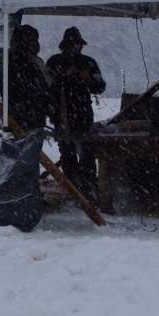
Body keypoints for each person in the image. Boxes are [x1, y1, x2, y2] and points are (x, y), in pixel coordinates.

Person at [46, 26, 106, 205]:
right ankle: (72, 189)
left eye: (78, 44)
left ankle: (89, 190)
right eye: (72, 44)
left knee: (87, 155)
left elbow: (101, 87)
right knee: (68, 155)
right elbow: (48, 87)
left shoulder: (88, 62)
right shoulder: (54, 62)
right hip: (62, 117)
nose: (75, 48)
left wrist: (89, 81)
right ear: (64, 45)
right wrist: (65, 76)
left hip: (83, 116)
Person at [7, 25, 54, 131]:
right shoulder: (21, 62)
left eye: (36, 39)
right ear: (22, 41)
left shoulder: (30, 60)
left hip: (30, 114)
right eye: (31, 39)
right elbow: (40, 87)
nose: (36, 43)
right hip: (27, 115)